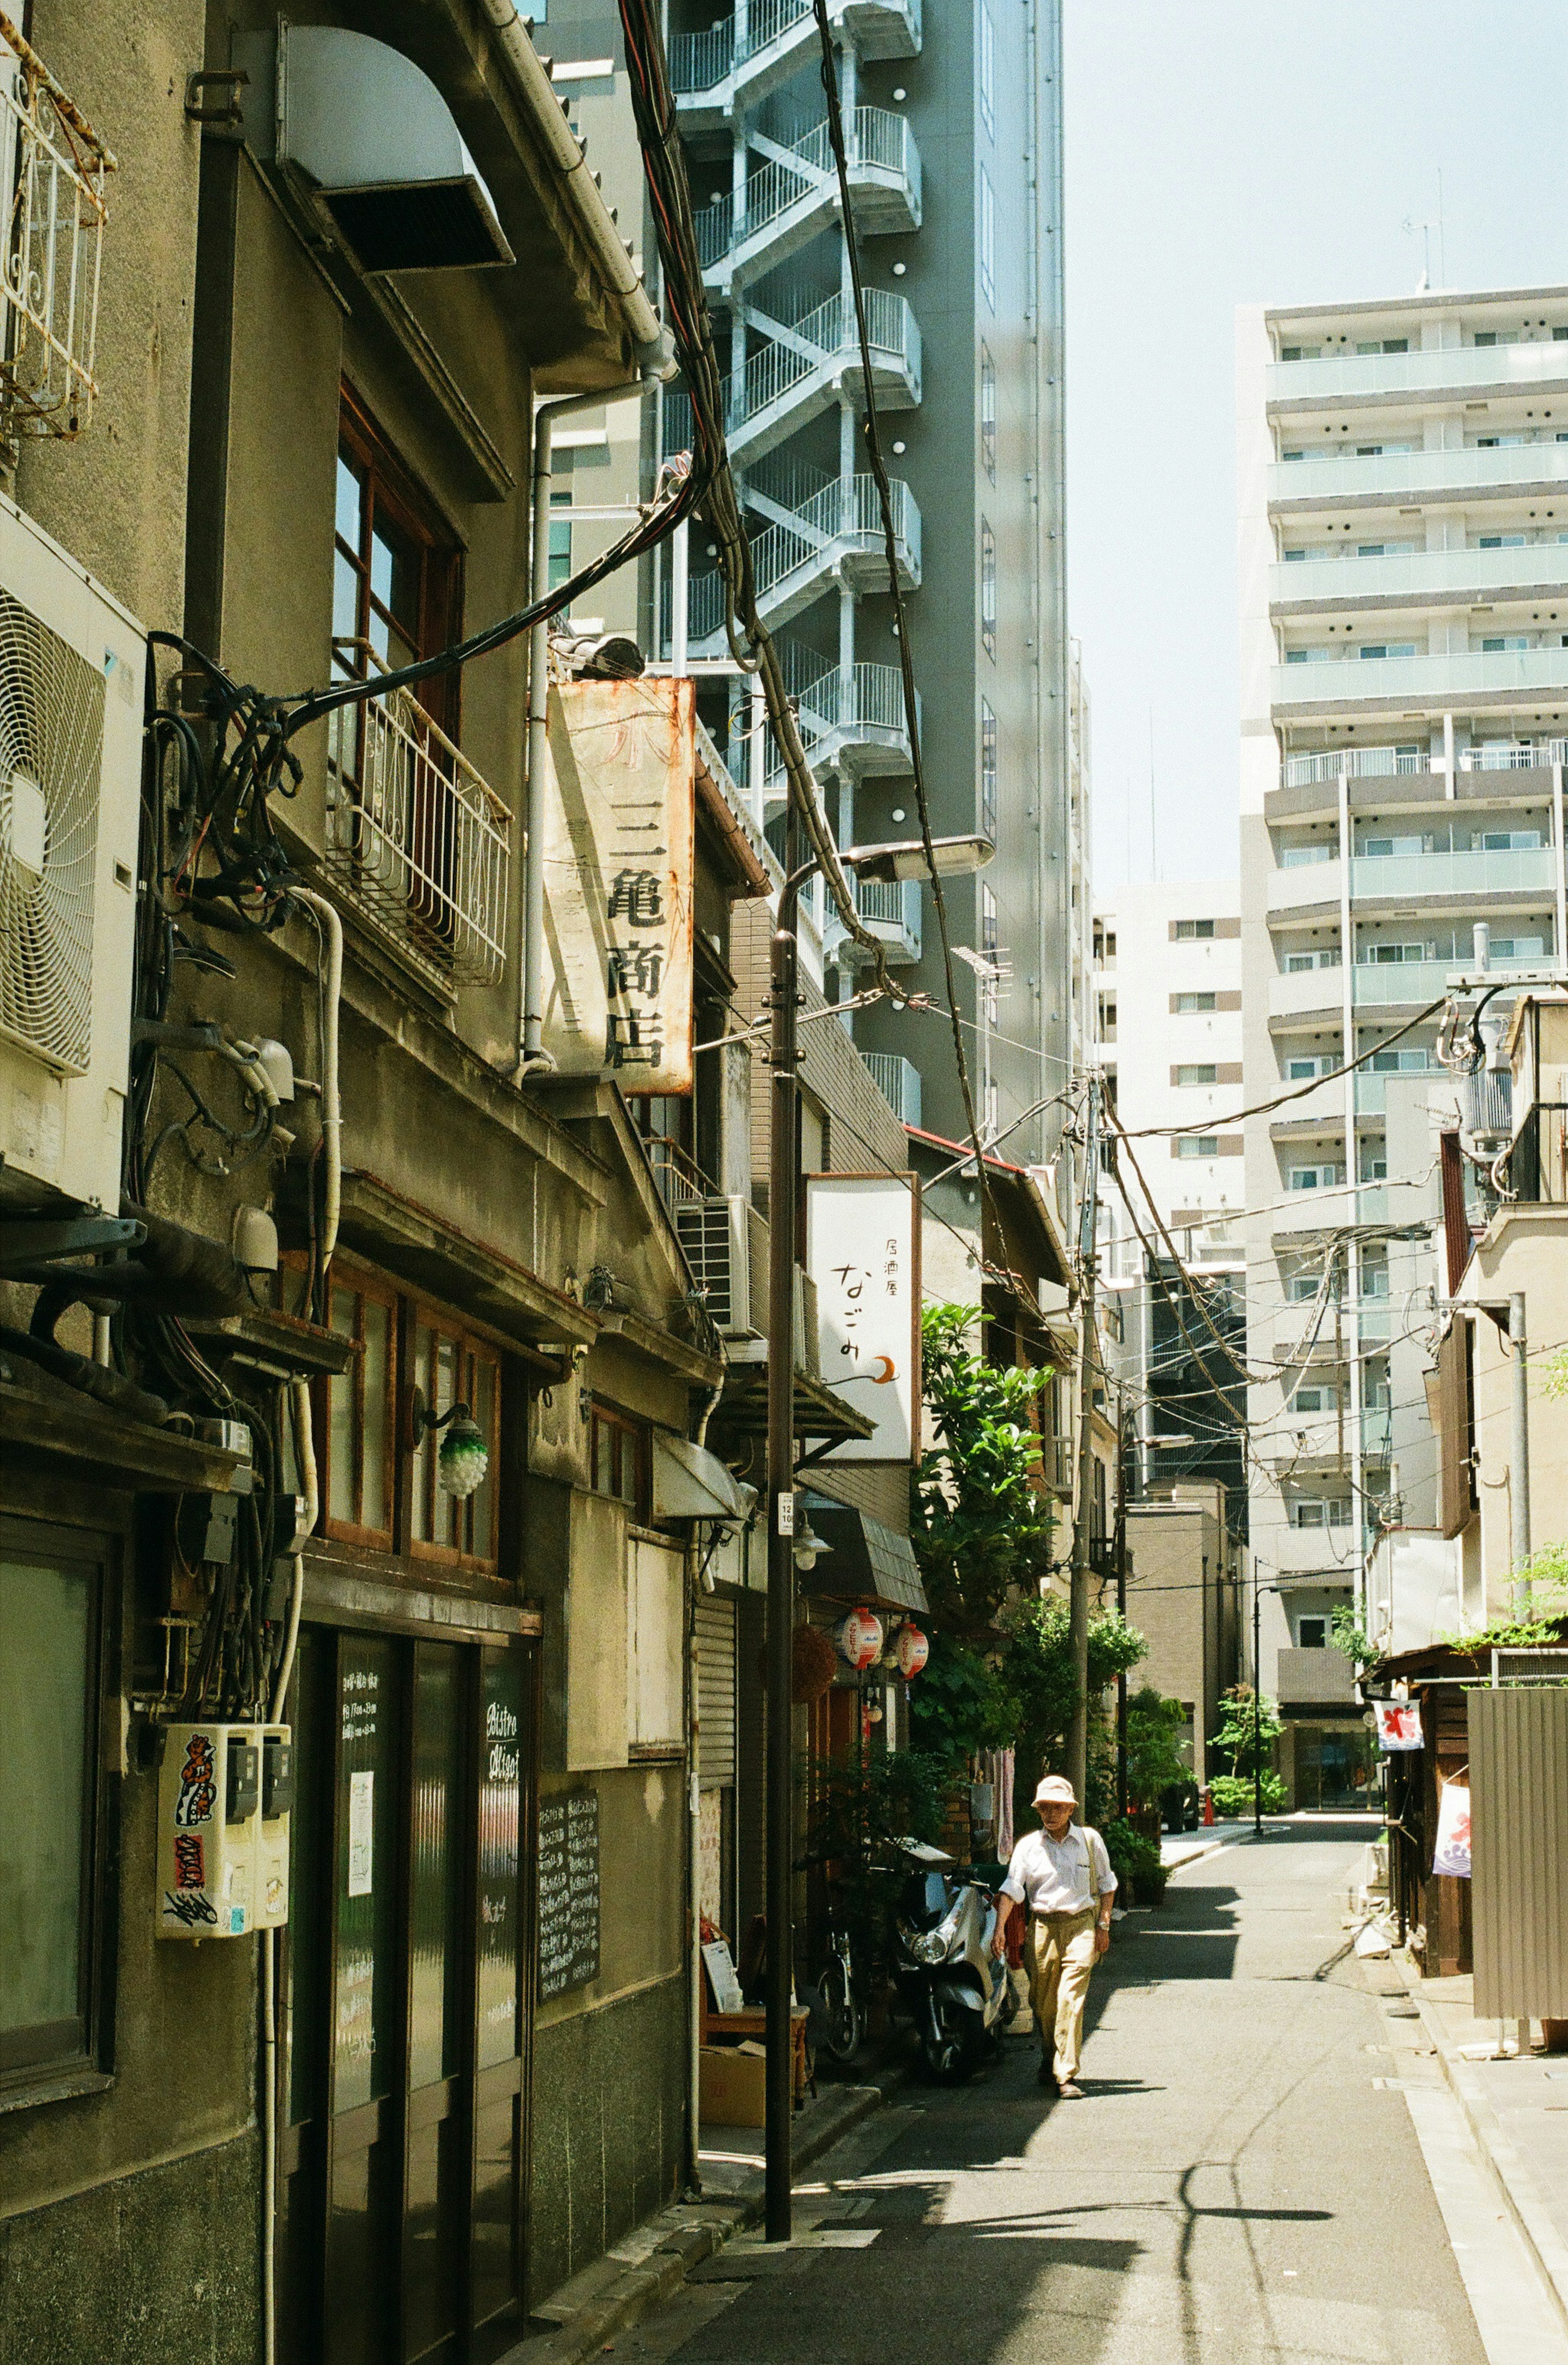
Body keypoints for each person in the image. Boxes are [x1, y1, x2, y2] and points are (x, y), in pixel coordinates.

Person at [991, 1773, 1116, 2098]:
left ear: (1071, 1809)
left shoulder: (1090, 1842)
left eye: (1059, 1807)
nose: (1052, 1814)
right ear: (1039, 1810)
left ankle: (1066, 2074)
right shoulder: (1028, 1847)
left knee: (1069, 1999)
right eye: (1046, 1807)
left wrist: (1103, 1926)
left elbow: (1107, 1886)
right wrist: (1000, 1928)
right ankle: (1051, 2057)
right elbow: (1012, 1889)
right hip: (1043, 1928)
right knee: (1044, 2005)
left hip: (1082, 1926)